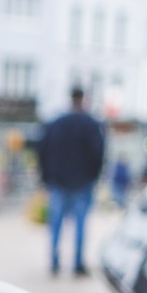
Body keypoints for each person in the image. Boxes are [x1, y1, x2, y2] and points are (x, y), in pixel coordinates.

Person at [35, 87, 105, 276]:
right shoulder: (90, 124)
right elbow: (98, 152)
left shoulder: (57, 123)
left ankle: (54, 261)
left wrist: (46, 177)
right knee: (80, 224)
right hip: (82, 182)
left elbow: (42, 149)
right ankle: (77, 263)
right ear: (83, 99)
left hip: (58, 180)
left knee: (55, 223)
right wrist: (93, 176)